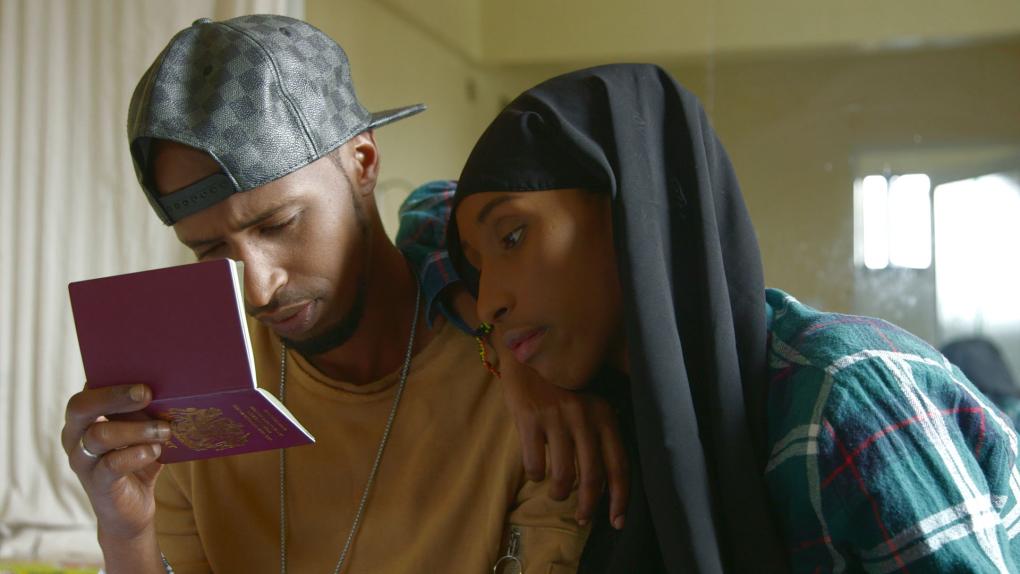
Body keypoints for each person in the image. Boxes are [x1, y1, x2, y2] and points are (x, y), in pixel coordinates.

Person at [59, 15, 625, 573]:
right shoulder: (204, 398)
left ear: (363, 162)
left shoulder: (522, 380)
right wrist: (126, 536)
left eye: (278, 224)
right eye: (210, 249)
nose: (258, 288)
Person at [404, 63, 1020, 571]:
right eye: (476, 268)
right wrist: (507, 357)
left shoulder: (841, 398)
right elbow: (424, 213)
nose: (489, 301)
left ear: (631, 215)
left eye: (513, 237)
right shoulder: (616, 413)